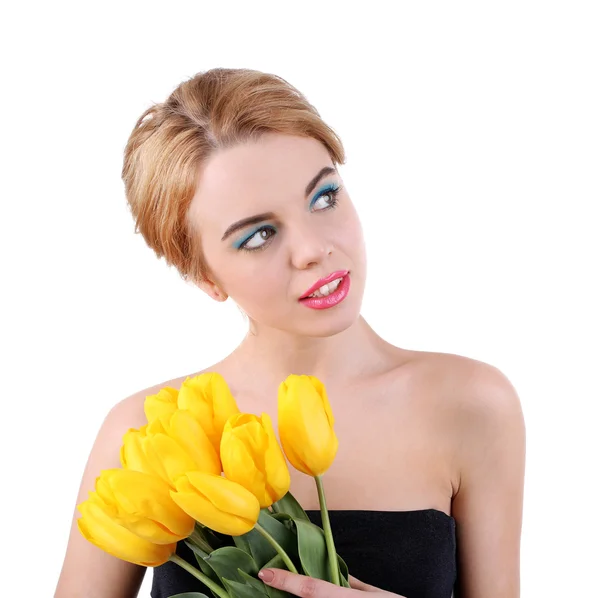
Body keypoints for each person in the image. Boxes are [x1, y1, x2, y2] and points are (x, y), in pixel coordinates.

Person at [55, 68, 526, 598]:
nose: (312, 249)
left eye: (324, 197)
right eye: (259, 235)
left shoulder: (471, 405)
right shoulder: (147, 433)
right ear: (205, 276)